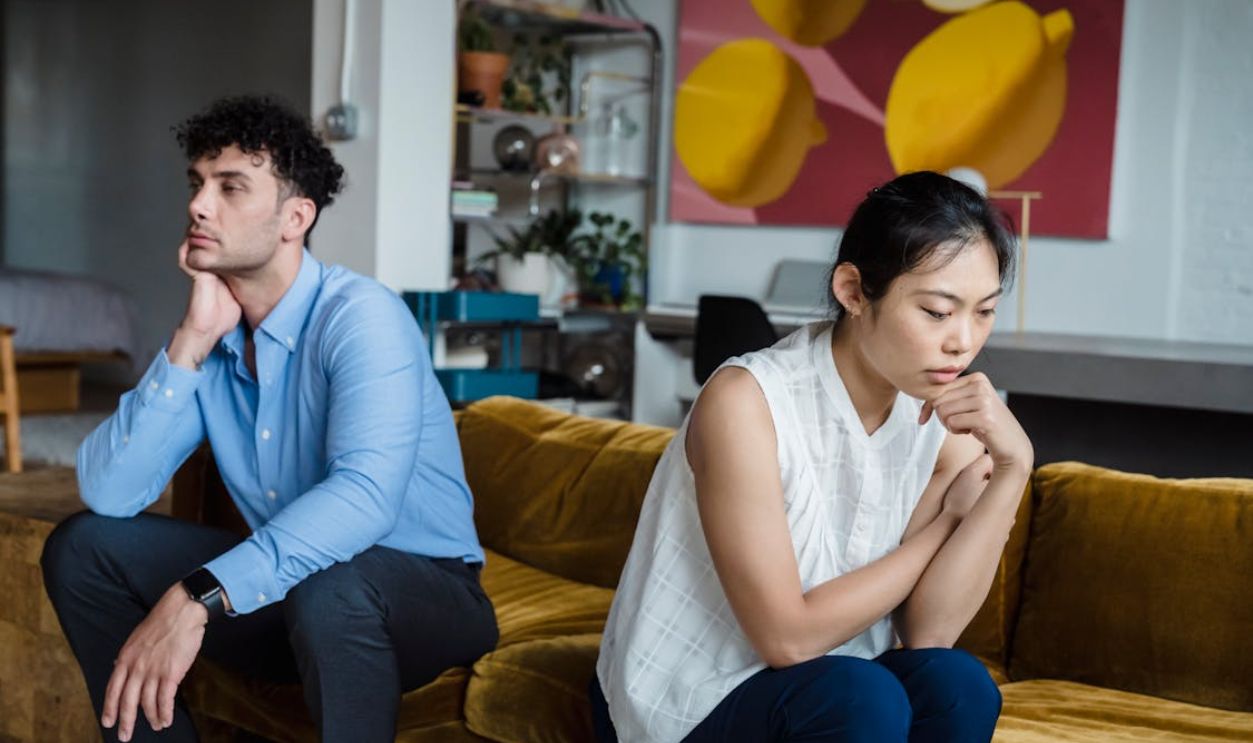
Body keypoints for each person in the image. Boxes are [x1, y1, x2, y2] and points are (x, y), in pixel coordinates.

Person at [40, 95, 498, 743]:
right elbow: (109, 491)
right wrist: (190, 342)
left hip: (424, 600)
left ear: (295, 217)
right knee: (83, 546)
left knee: (331, 587)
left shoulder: (360, 316)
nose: (199, 205)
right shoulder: (217, 337)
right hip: (295, 594)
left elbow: (364, 497)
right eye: (198, 184)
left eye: (230, 187)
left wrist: (198, 593)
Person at [593, 171, 1032, 742]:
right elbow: (787, 639)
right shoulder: (746, 401)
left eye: (984, 311)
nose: (963, 341)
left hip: (832, 687)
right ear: (853, 291)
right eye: (936, 311)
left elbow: (929, 633)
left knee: (958, 684)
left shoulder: (943, 416)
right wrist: (948, 520)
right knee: (862, 696)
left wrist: (1012, 471)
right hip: (689, 696)